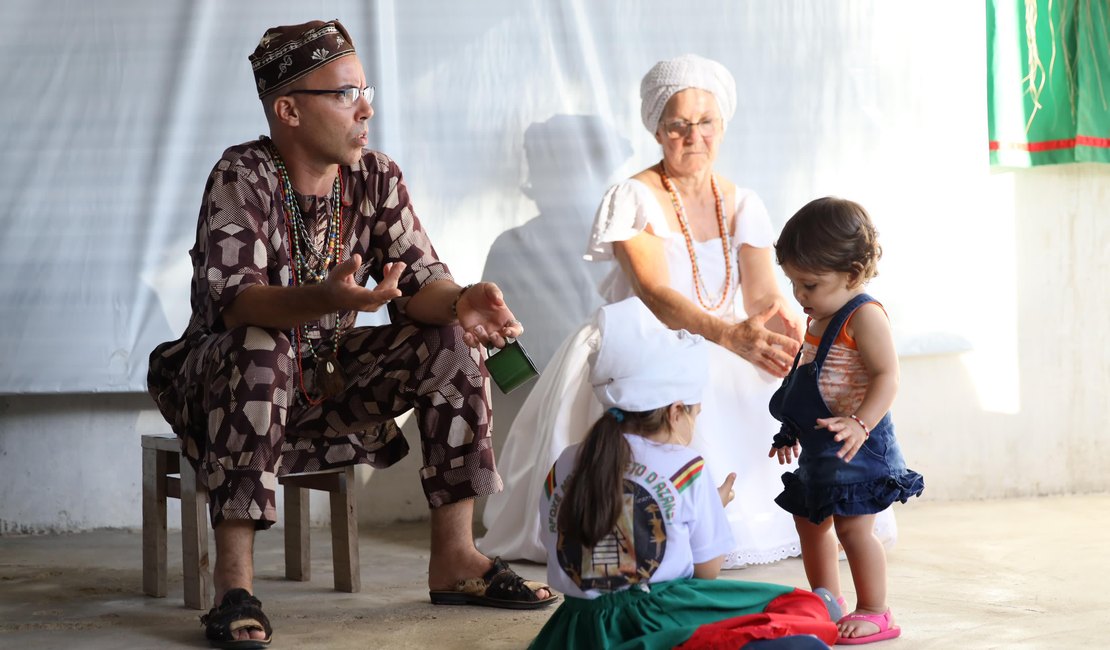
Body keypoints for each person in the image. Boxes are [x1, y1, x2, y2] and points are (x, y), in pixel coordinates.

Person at [146, 19, 555, 649]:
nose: (365, 108)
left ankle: (456, 560)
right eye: (343, 94)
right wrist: (326, 299)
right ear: (287, 109)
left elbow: (421, 286)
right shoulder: (241, 175)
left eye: (364, 90)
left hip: (327, 375)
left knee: (449, 344)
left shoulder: (375, 177)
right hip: (225, 383)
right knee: (262, 343)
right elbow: (236, 304)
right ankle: (234, 587)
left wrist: (462, 299)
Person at [483, 53, 904, 567]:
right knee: (689, 377)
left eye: (705, 123)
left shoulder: (743, 201)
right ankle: (673, 526)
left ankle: (806, 512)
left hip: (727, 332)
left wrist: (784, 319)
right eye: (678, 125)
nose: (693, 136)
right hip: (646, 334)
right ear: (657, 130)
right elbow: (653, 293)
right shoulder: (633, 196)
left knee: (785, 380)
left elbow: (762, 295)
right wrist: (727, 336)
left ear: (722, 126)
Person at [531, 297, 839, 650]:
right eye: (696, 413)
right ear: (676, 411)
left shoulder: (565, 464)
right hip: (657, 617)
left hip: (575, 628)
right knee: (797, 610)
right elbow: (705, 575)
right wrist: (713, 505)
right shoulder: (685, 468)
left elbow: (556, 543)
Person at [768, 197, 925, 644]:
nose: (800, 296)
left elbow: (888, 377)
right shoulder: (818, 316)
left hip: (861, 444)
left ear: (853, 275)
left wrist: (861, 421)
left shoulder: (864, 315)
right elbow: (806, 382)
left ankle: (876, 610)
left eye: (810, 285)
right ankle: (825, 600)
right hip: (823, 444)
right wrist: (789, 429)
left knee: (854, 527)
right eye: (794, 283)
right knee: (810, 521)